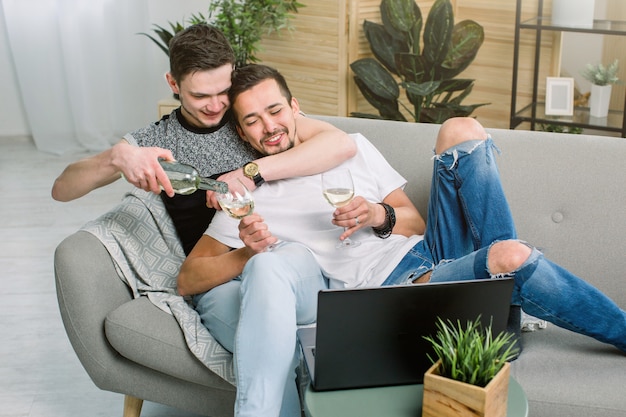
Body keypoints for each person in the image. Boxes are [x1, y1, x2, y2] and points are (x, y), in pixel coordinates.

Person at [178, 64, 626, 417]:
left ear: (295, 107)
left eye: (275, 111)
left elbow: (412, 222)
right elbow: (188, 279)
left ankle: (497, 306)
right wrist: (248, 250)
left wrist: (378, 214)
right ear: (241, 133)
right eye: (252, 121)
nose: (269, 127)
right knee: (509, 254)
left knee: (460, 130)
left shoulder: (345, 146)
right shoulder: (249, 199)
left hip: (427, 252)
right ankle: (505, 302)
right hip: (402, 288)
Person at [51, 24, 355, 254]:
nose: (215, 105)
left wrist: (249, 174)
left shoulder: (252, 116)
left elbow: (340, 144)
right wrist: (116, 157)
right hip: (220, 266)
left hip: (300, 246)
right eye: (200, 95)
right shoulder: (157, 139)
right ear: (173, 83)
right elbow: (62, 190)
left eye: (223, 91)